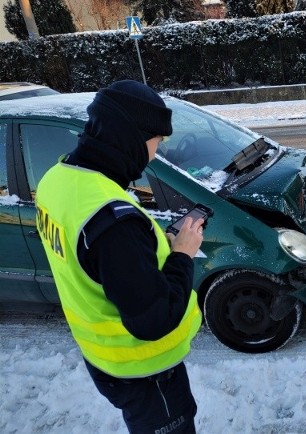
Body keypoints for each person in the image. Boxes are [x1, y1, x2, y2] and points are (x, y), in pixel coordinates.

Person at [35, 80, 204, 433]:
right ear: (131, 137)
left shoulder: (57, 179)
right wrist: (183, 255)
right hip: (146, 372)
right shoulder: (113, 223)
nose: (156, 155)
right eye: (157, 143)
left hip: (104, 358)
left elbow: (100, 264)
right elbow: (154, 320)